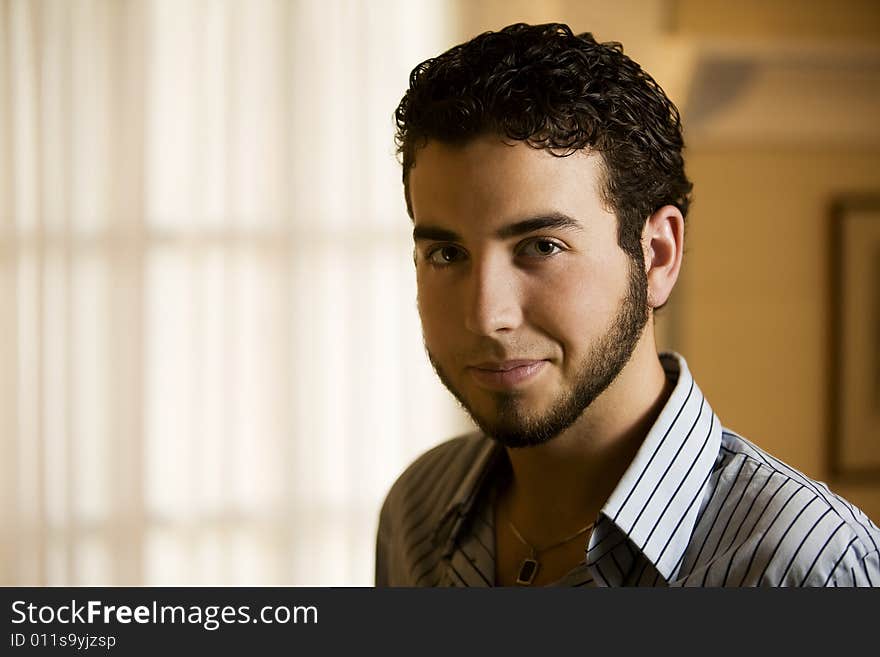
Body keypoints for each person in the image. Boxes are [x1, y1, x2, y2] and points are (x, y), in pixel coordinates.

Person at [374, 22, 880, 587]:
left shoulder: (805, 568)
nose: (486, 316)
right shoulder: (415, 511)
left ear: (658, 255)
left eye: (542, 247)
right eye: (447, 253)